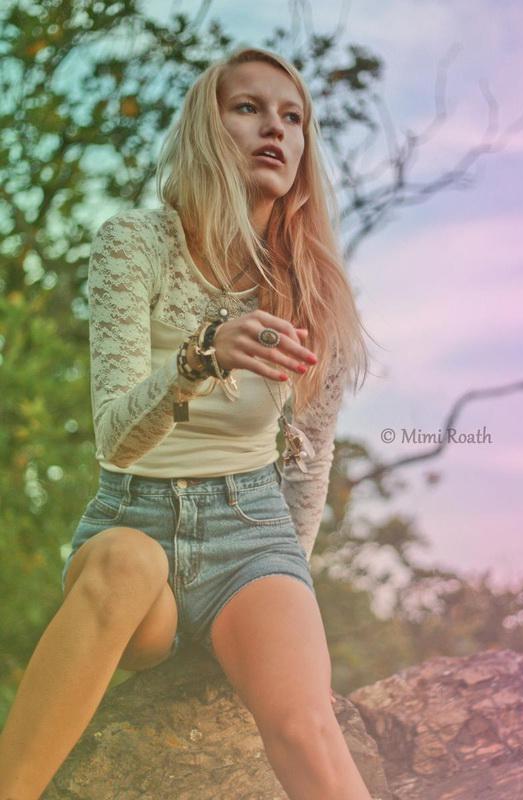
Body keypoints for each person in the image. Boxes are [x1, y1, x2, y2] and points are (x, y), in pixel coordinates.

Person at [0, 47, 371, 799]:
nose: (275, 128)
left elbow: (308, 459)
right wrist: (199, 357)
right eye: (248, 108)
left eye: (292, 117)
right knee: (126, 564)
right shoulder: (133, 243)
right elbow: (114, 438)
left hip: (251, 534)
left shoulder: (314, 287)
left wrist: (283, 596)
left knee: (306, 726)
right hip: (133, 521)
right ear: (207, 127)